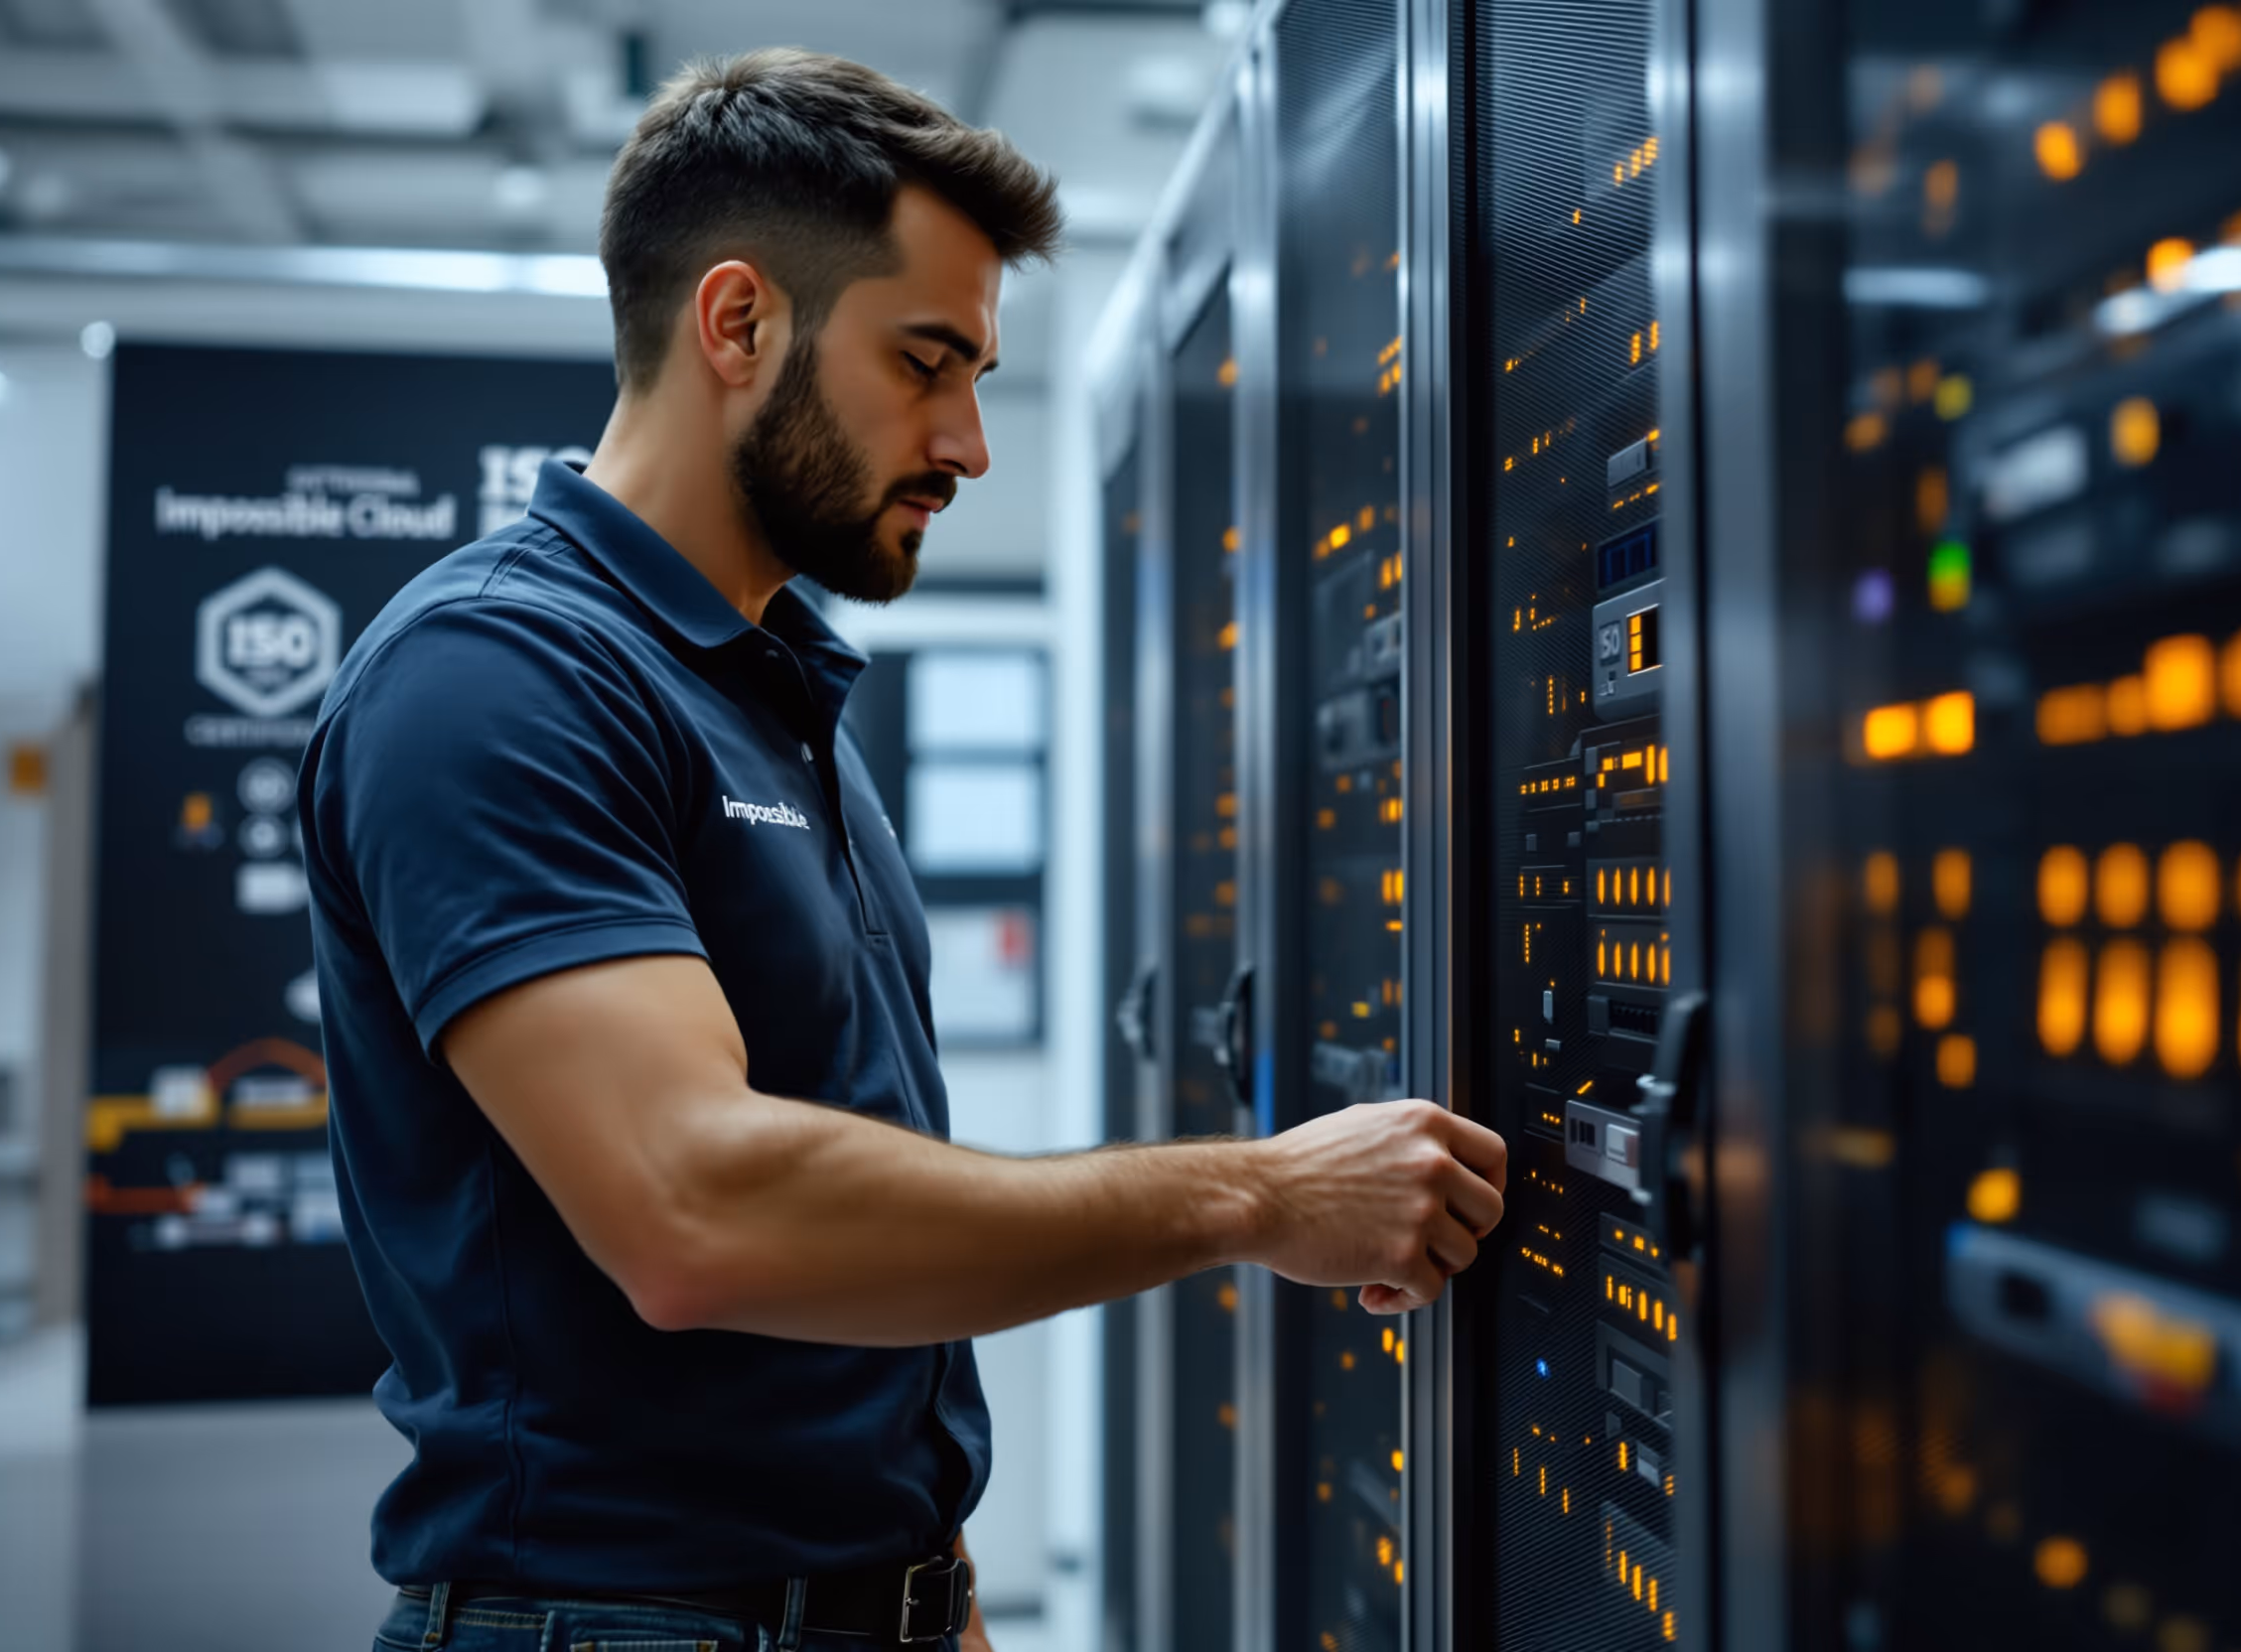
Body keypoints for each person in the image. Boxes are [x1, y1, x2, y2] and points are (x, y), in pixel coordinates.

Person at [300, 47, 1505, 1652]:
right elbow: (693, 1210)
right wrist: (1257, 1195)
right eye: (928, 360)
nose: (968, 441)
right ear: (737, 325)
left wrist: (924, 1580)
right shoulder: (495, 677)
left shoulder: (767, 689)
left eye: (980, 374)